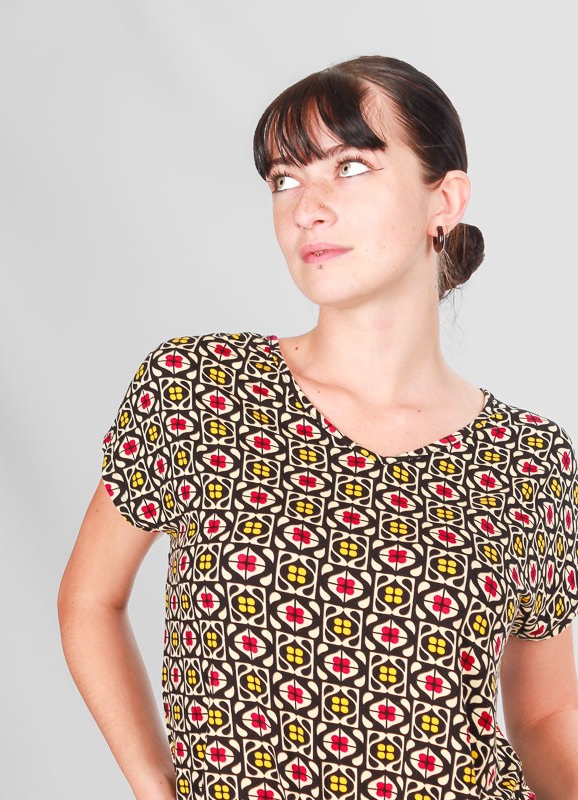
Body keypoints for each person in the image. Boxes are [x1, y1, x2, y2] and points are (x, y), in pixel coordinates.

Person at [57, 54, 578, 800]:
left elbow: (548, 713)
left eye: (351, 167)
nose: (307, 208)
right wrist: (153, 783)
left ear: (445, 199)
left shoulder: (529, 457)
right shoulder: (200, 389)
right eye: (284, 179)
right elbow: (89, 600)